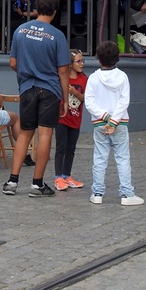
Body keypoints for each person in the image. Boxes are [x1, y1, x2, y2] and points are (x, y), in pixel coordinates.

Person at [3, 0, 70, 198]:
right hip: (49, 89)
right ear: (55, 11)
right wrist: (66, 98)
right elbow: (63, 70)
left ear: (37, 8)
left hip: (27, 88)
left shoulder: (21, 31)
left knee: (25, 132)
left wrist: (26, 72)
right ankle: (37, 183)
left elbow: (13, 62)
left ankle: (12, 181)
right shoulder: (57, 36)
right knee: (45, 134)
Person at [84, 41, 144, 206]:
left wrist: (104, 118)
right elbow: (124, 102)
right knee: (123, 158)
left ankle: (97, 193)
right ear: (117, 58)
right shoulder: (123, 77)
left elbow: (89, 102)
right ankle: (127, 194)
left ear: (98, 58)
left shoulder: (94, 78)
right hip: (120, 124)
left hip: (99, 124)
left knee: (100, 158)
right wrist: (114, 121)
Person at [54, 49, 86, 191]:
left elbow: (86, 99)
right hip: (62, 118)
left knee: (71, 149)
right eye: (79, 61)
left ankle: (67, 175)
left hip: (76, 118)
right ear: (70, 63)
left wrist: (75, 92)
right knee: (61, 147)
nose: (82, 64)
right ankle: (58, 177)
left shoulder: (84, 79)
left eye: (82, 60)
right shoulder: (62, 77)